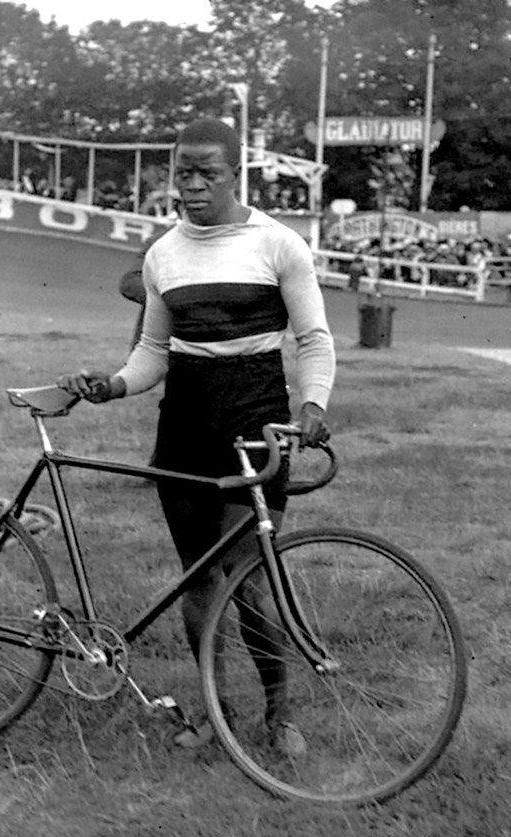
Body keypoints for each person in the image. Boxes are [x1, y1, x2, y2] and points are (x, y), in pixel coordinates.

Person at [60, 117, 334, 756]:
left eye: (208, 172)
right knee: (198, 579)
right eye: (183, 171)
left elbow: (314, 340)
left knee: (248, 576)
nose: (193, 185)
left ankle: (279, 713)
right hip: (183, 429)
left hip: (254, 426)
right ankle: (216, 714)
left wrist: (314, 403)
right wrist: (113, 385)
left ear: (236, 172)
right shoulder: (163, 254)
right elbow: (154, 350)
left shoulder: (279, 245)